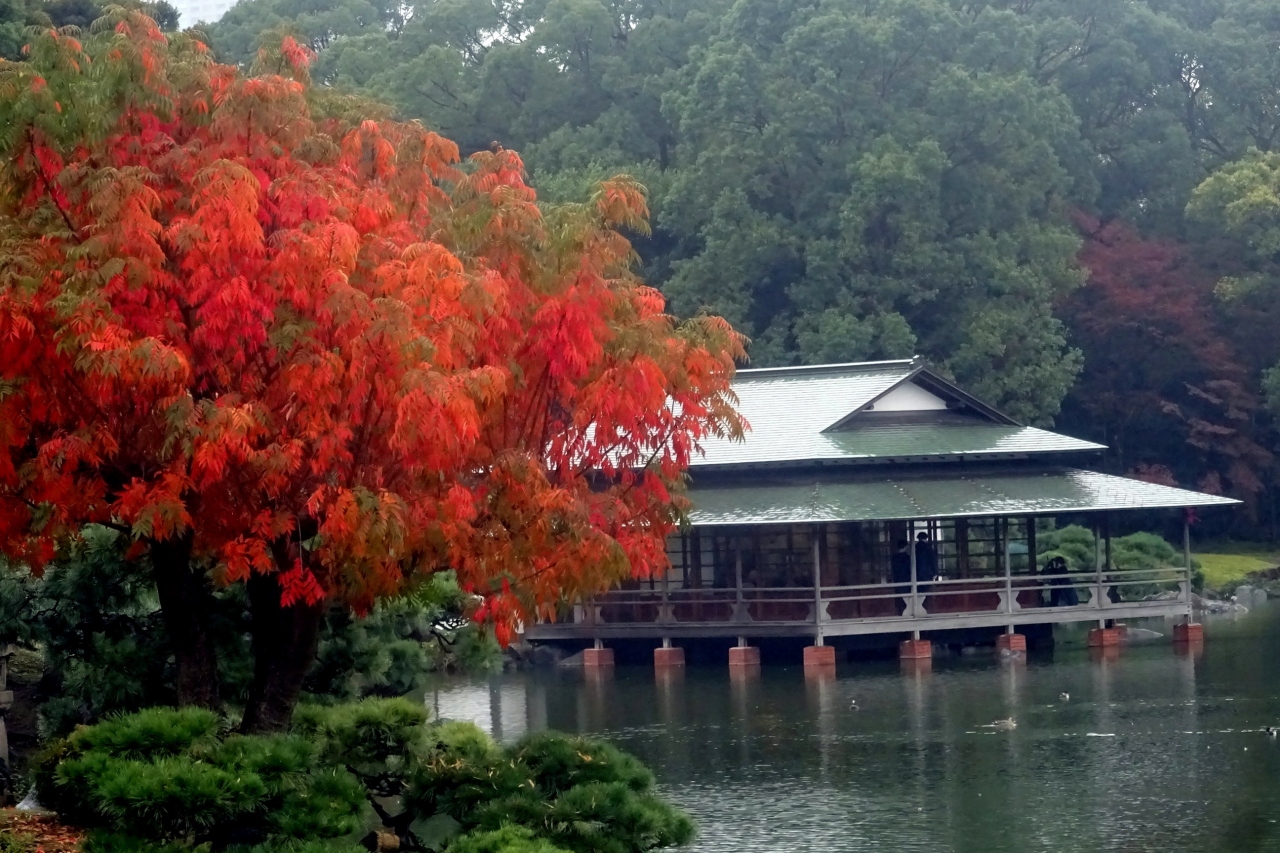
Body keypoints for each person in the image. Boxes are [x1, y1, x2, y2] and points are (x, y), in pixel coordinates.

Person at [890, 540, 912, 615]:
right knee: (907, 598)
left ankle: (900, 612)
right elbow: (910, 570)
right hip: (907, 580)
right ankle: (907, 612)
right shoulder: (907, 558)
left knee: (899, 598)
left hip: (897, 580)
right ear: (905, 547)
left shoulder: (894, 558)